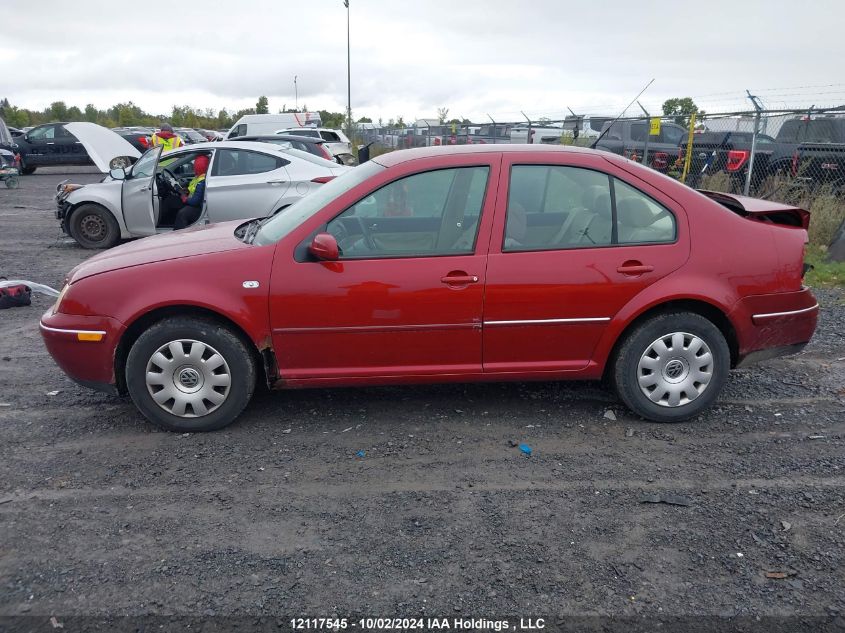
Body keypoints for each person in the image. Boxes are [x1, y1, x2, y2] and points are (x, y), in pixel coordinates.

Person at [173, 154, 209, 229]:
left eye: (195, 166)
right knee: (170, 200)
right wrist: (186, 191)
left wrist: (185, 198)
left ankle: (178, 235)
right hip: (191, 202)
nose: (194, 167)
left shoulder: (202, 181)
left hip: (197, 207)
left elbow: (195, 201)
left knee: (182, 214)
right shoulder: (198, 177)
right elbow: (192, 189)